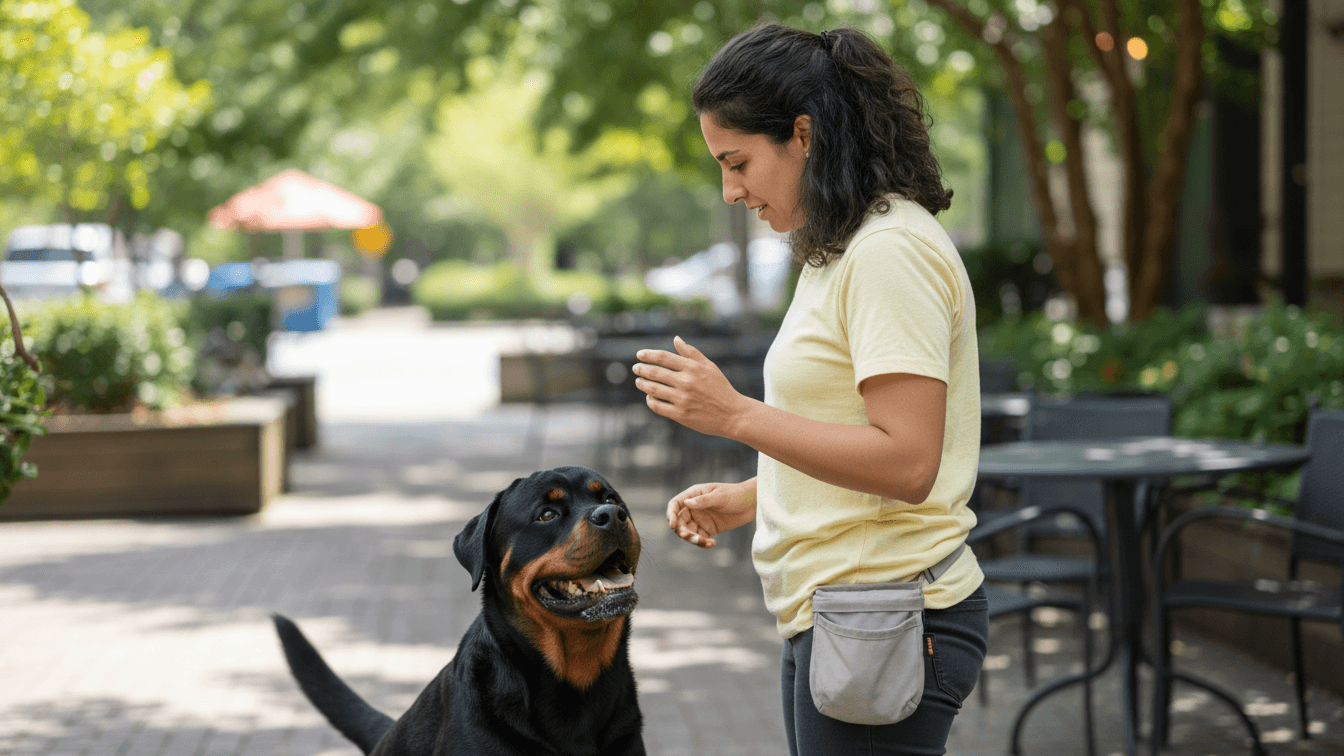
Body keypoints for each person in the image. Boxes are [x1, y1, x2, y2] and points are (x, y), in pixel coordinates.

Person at [631, 23, 987, 756]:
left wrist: (735, 415)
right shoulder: (842, 246)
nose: (732, 191)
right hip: (844, 608)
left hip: (885, 611)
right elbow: (858, 431)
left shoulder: (889, 252)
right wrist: (759, 495)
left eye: (738, 163)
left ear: (803, 134)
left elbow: (910, 463)